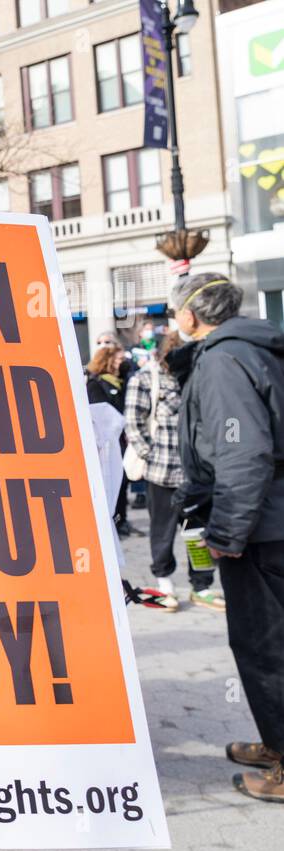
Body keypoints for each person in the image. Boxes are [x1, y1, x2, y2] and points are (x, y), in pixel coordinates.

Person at [174, 272, 284, 804]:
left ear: (190, 316)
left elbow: (242, 450)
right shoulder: (253, 347)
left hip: (261, 529)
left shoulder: (222, 360)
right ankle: (275, 742)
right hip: (269, 522)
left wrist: (227, 532)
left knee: (266, 648)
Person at [124, 335, 223, 612]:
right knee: (162, 532)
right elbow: (133, 423)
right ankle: (164, 582)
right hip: (162, 471)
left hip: (198, 473)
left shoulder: (196, 376)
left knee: (197, 531)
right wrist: (149, 455)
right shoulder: (145, 379)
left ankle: (201, 584)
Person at [86, 344, 134, 536]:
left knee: (123, 480)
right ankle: (115, 520)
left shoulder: (122, 382)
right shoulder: (95, 383)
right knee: (114, 478)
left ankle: (122, 518)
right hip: (109, 441)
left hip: (122, 438)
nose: (121, 363)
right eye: (118, 359)